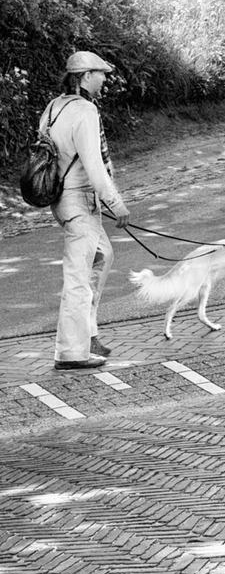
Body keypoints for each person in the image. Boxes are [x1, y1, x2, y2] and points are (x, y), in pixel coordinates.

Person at [42, 51, 131, 370]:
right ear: (86, 76)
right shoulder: (85, 110)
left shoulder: (53, 107)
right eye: (101, 73)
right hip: (79, 201)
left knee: (103, 255)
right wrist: (116, 204)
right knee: (77, 278)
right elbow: (94, 165)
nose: (105, 79)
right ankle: (71, 352)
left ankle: (88, 333)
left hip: (61, 198)